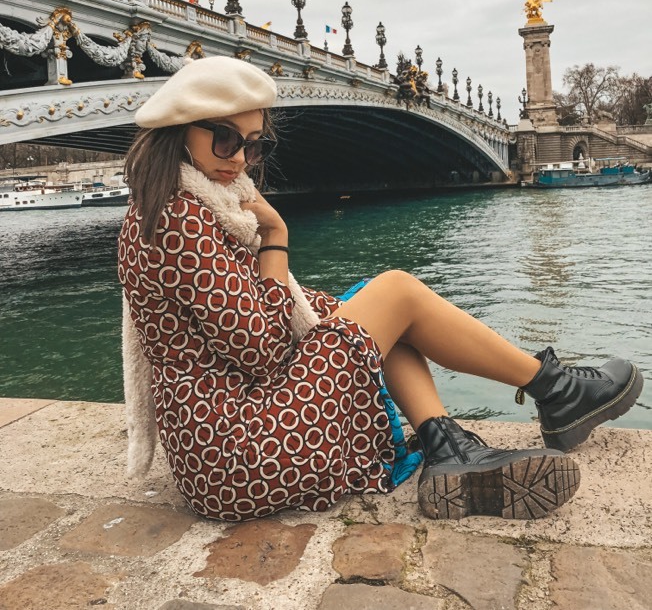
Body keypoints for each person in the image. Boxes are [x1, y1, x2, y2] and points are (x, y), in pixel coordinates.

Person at [119, 56, 643, 523]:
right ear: (178, 130)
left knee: (376, 303)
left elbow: (247, 318)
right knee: (394, 293)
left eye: (253, 145)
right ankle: (556, 391)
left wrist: (338, 309)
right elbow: (260, 351)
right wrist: (276, 239)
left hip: (218, 448)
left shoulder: (179, 206)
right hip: (241, 452)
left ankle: (450, 446)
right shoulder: (179, 217)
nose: (240, 158)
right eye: (226, 138)